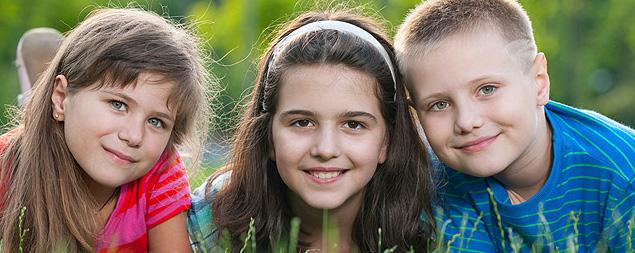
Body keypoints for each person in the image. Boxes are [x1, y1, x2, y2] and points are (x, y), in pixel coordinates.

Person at [394, 0, 635, 251]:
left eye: (487, 89)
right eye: (439, 105)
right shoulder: (434, 183)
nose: (466, 121)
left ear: (539, 82)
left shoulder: (624, 176)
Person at [187, 10, 435, 252]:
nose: (326, 149)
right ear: (268, 136)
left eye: (353, 124)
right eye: (302, 122)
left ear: (386, 143)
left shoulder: (437, 224)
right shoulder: (209, 223)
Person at [0, 8, 212, 253]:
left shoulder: (160, 170)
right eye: (118, 104)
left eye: (156, 122)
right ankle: (38, 100)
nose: (133, 136)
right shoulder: (8, 167)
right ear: (60, 97)